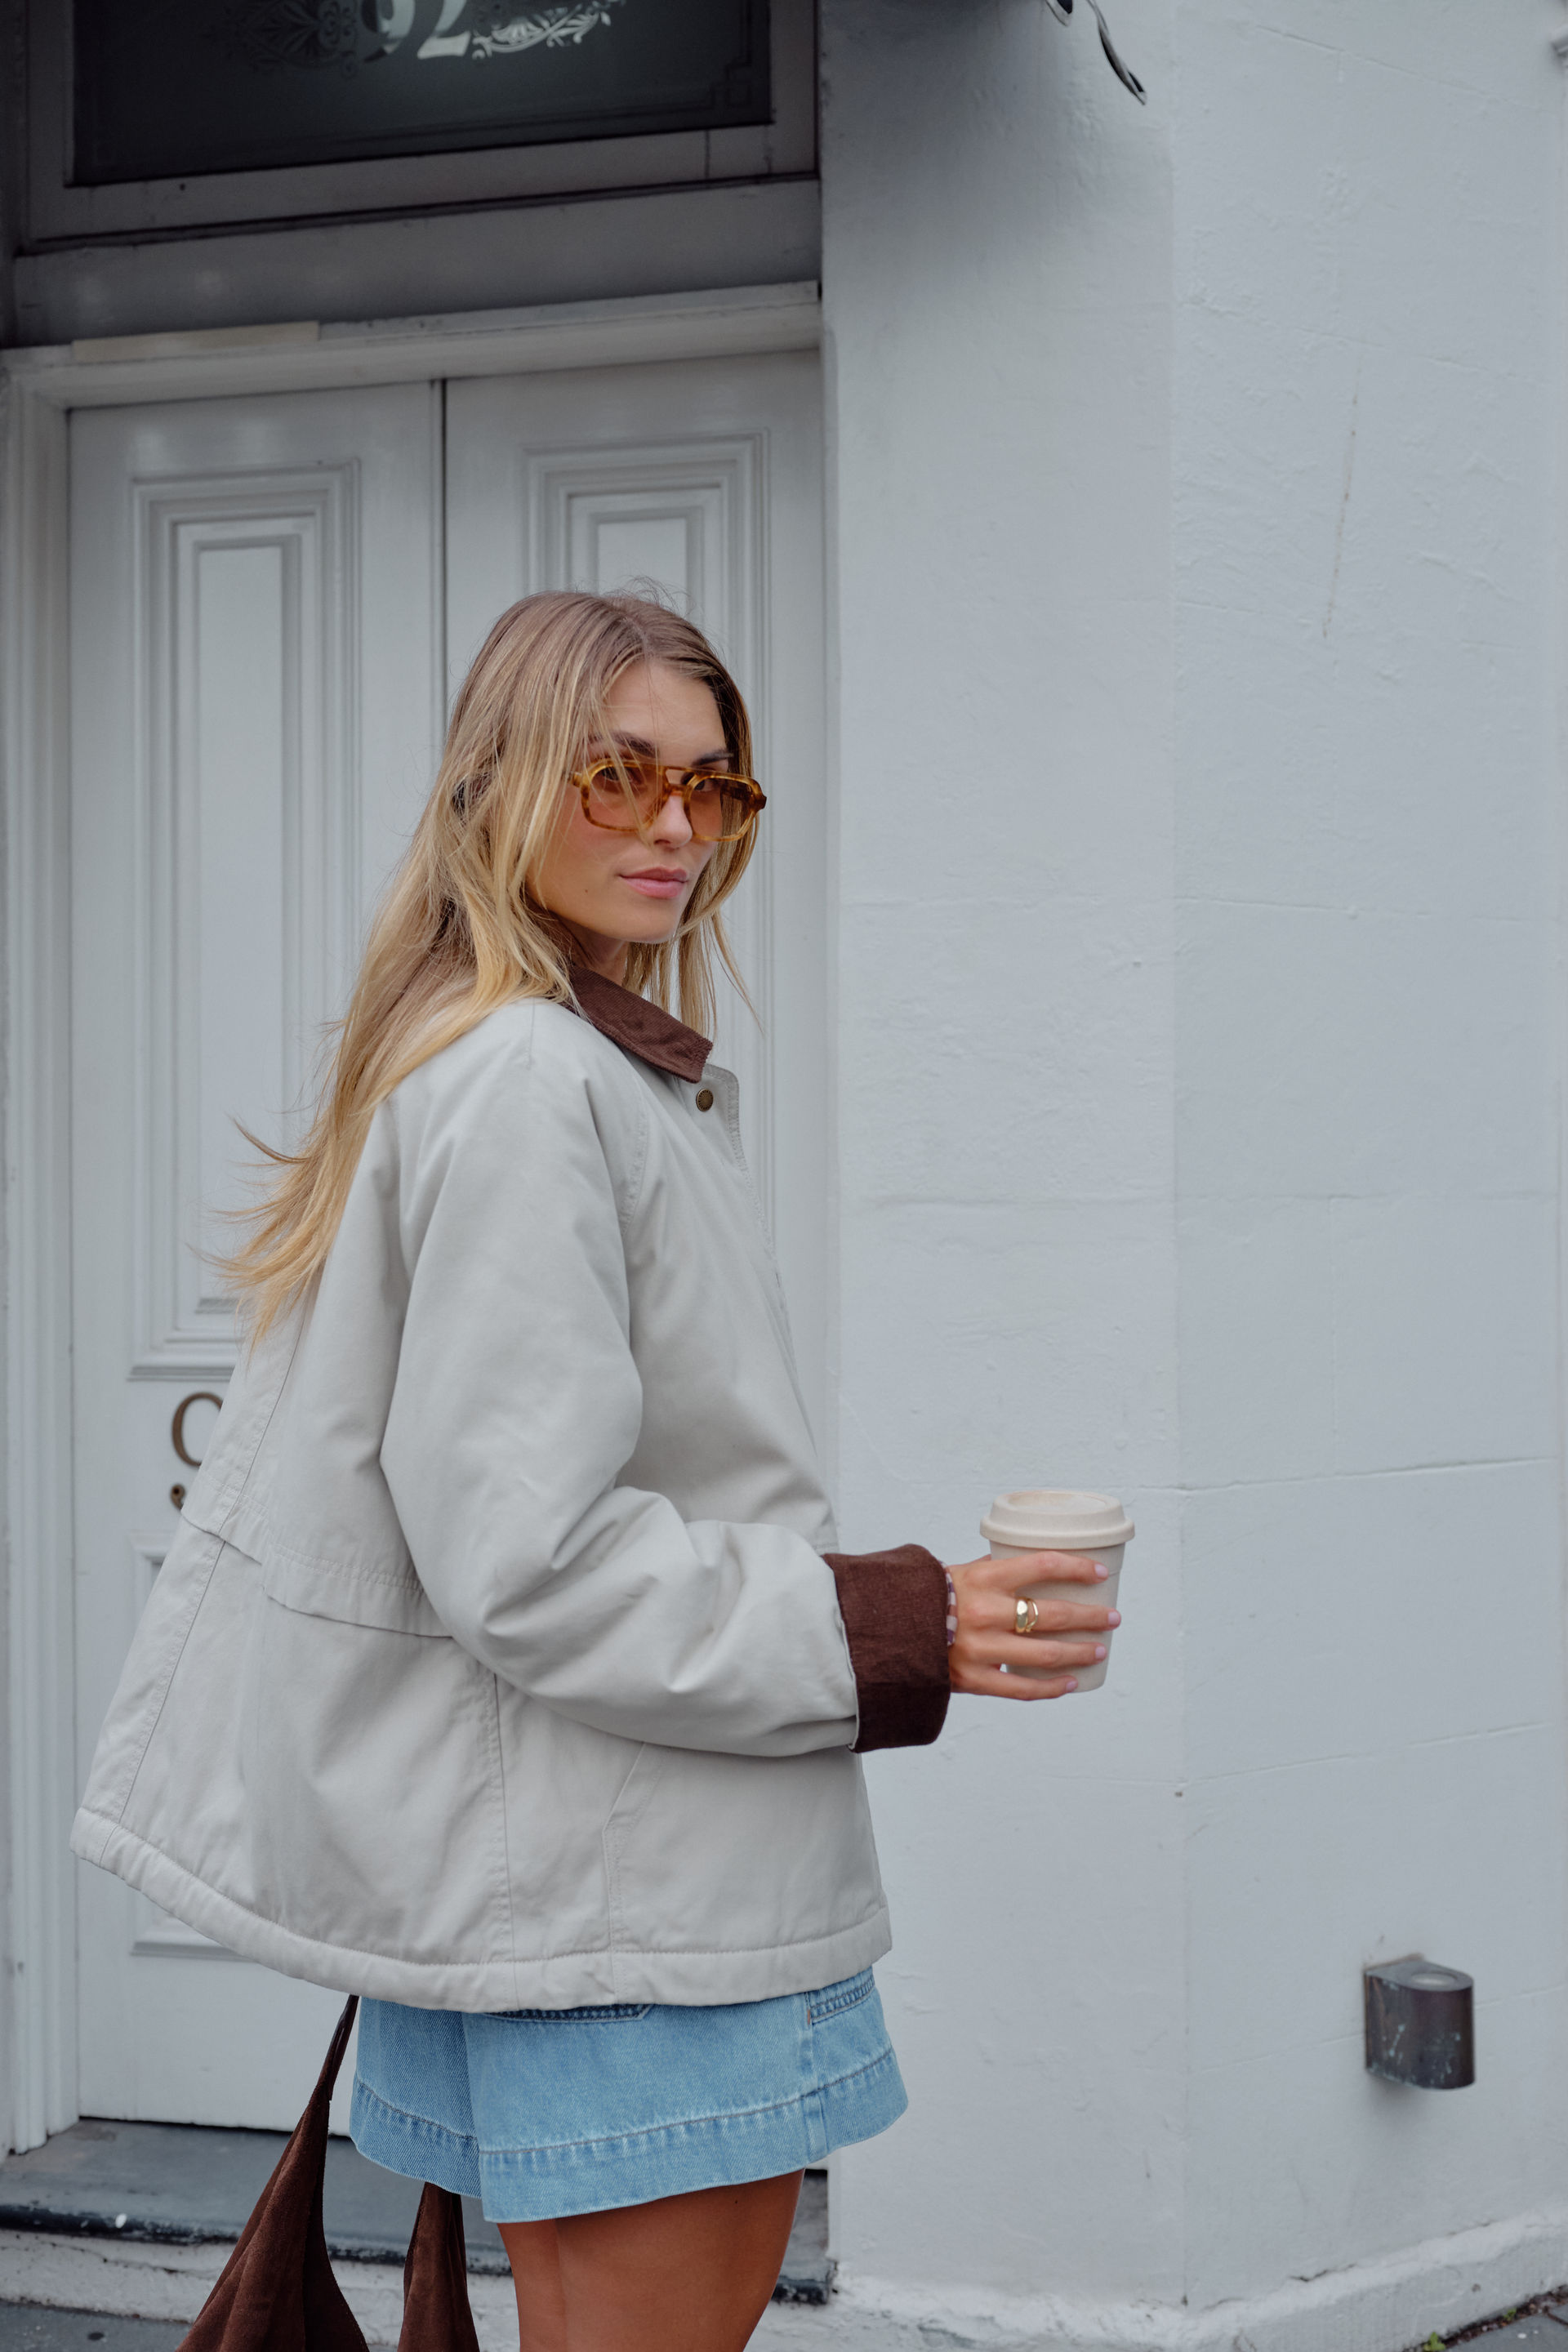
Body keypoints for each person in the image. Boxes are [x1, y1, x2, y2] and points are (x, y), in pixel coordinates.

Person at [73, 592, 1120, 2352]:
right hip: (635, 1908)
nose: (675, 825)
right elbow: (533, 1560)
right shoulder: (527, 1083)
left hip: (586, 1885)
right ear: (501, 781)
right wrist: (910, 1621)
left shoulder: (527, 1062)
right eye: (619, 773)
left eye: (714, 787)